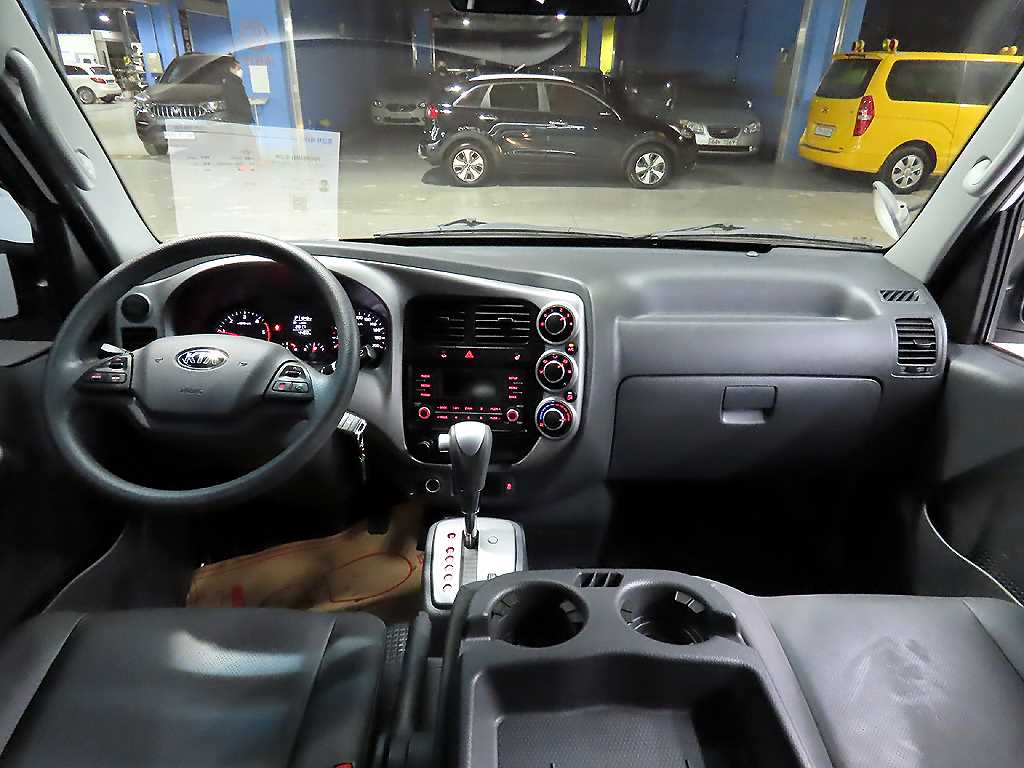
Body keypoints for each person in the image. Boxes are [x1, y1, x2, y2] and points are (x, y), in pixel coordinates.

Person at [222, 58, 254, 124]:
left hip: (240, 118)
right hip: (239, 119)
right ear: (231, 69)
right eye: (238, 68)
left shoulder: (235, 81)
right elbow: (235, 102)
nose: (241, 71)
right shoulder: (232, 83)